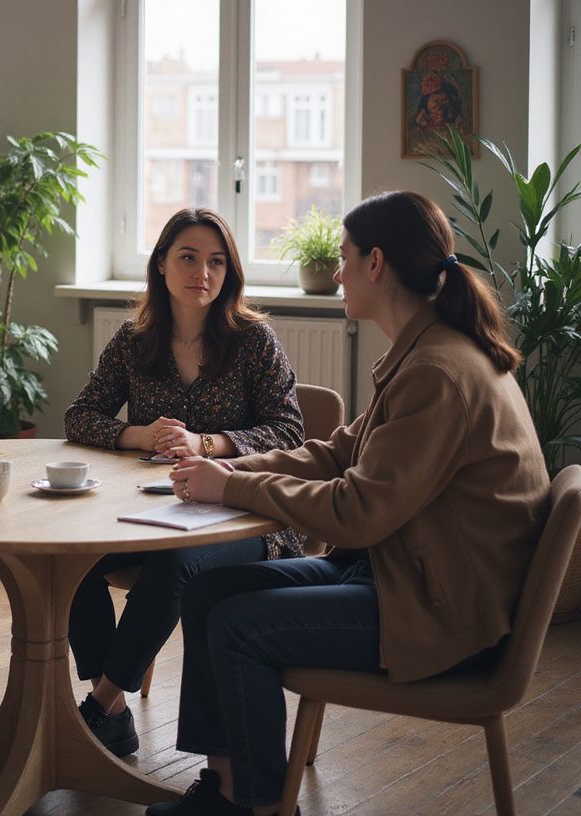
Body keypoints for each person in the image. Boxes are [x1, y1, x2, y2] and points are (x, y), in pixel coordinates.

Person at [155, 191, 549, 816]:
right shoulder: (426, 351)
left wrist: (231, 487)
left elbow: (357, 509)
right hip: (402, 575)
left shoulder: (440, 372)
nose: (335, 271)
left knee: (237, 625)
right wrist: (230, 466)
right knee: (210, 593)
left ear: (376, 264)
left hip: (440, 613)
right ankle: (227, 787)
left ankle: (259, 806)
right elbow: (340, 453)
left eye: (343, 257)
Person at [63, 207, 304, 757]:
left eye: (217, 262)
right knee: (67, 559)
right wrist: (138, 435)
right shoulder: (133, 340)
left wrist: (209, 443)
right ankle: (115, 708)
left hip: (245, 514)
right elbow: (80, 416)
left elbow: (289, 431)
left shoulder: (253, 341)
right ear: (162, 266)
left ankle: (101, 703)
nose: (204, 273)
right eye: (189, 258)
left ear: (230, 273)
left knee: (177, 565)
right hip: (148, 511)